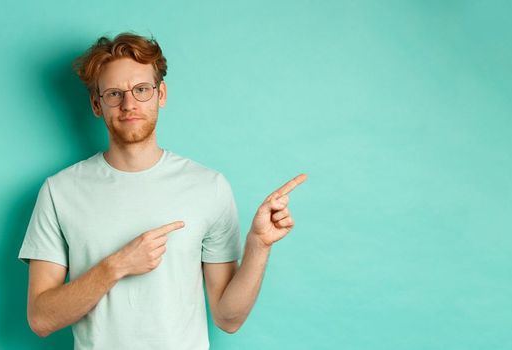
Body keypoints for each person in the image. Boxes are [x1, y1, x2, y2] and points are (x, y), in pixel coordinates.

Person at [18, 32, 306, 350]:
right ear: (96, 104)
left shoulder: (208, 187)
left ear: (161, 94)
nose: (129, 104)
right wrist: (117, 266)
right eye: (114, 94)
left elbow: (228, 318)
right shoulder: (60, 191)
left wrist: (258, 245)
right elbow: (41, 319)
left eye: (141, 90)